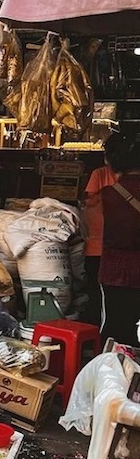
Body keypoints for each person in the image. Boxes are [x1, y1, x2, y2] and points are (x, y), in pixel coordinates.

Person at [99, 132, 140, 346]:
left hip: (116, 273)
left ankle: (115, 373)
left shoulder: (108, 195)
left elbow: (92, 232)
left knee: (116, 331)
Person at [81, 135, 119, 325]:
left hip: (96, 246)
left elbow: (90, 199)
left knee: (96, 295)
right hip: (120, 249)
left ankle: (96, 335)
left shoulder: (99, 174)